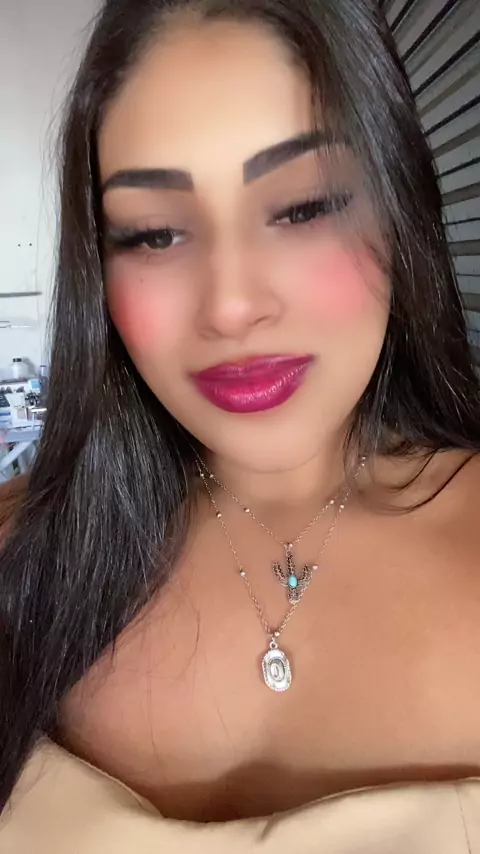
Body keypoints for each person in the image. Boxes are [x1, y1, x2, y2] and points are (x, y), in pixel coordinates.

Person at [1, 0, 480, 850]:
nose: (229, 305)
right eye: (154, 234)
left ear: (399, 210)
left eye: (301, 208)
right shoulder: (22, 553)